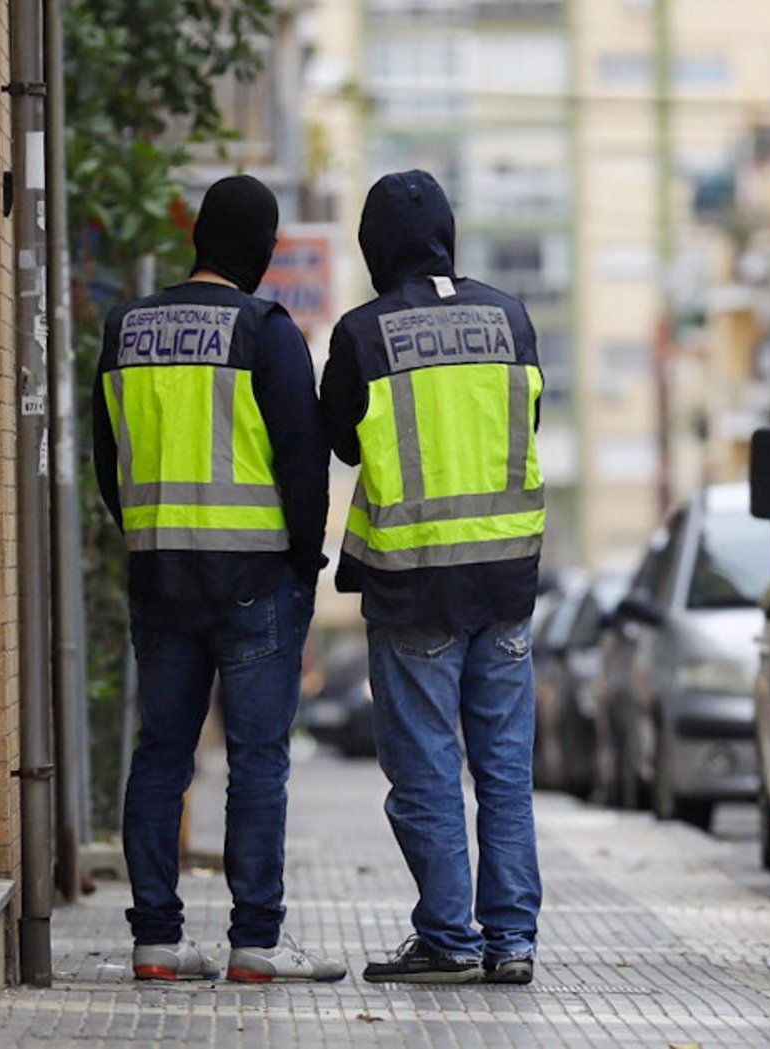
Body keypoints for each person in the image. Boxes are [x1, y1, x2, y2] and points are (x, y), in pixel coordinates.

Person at [93, 174, 345, 984]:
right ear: (261, 250)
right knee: (257, 760)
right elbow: (304, 462)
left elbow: (106, 459)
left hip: (159, 574)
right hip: (254, 580)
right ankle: (256, 941)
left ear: (200, 238)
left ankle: (156, 940)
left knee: (161, 754)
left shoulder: (125, 329)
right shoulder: (266, 331)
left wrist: (147, 533)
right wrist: (303, 561)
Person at [320, 170, 544, 985]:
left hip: (416, 587)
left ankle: (450, 936)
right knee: (504, 771)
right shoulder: (512, 318)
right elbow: (527, 423)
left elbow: (342, 441)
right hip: (506, 582)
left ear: (374, 248)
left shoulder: (363, 333)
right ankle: (511, 940)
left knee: (427, 771)